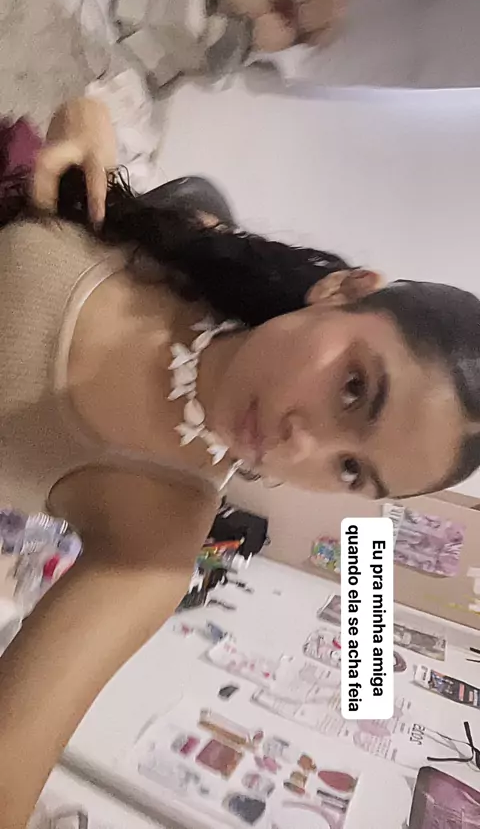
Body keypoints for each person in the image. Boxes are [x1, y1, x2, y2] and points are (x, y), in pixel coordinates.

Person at [1, 95, 480, 827]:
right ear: (346, 290)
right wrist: (82, 125)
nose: (300, 445)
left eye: (351, 471)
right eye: (354, 389)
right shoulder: (195, 252)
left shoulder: (153, 547)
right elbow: (82, 132)